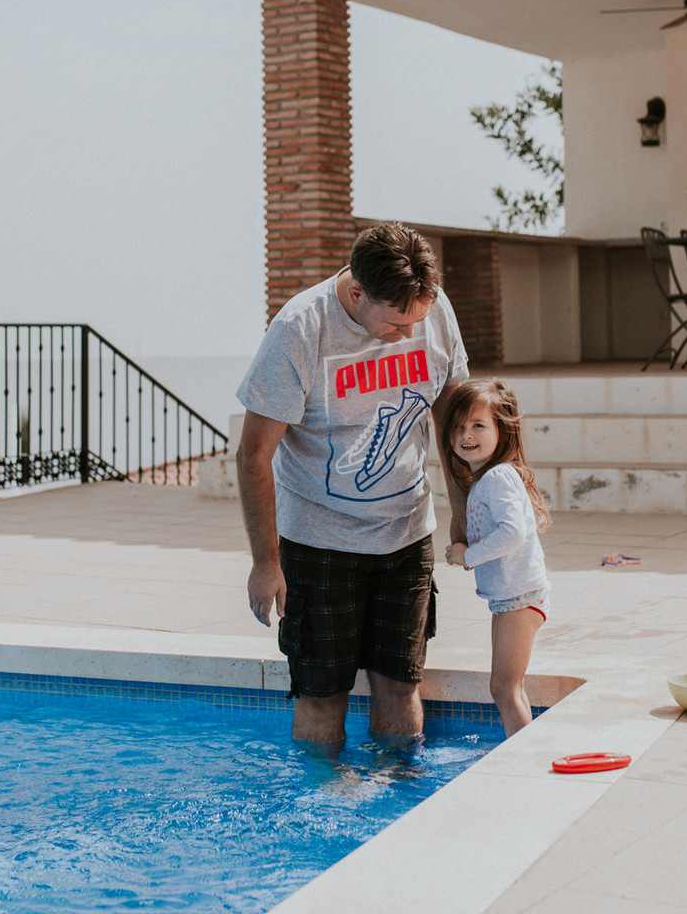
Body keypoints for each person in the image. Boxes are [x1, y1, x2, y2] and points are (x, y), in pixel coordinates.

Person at [236, 222, 469, 745]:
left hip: (407, 536)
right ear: (357, 293)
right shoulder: (301, 328)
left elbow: (452, 420)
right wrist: (265, 561)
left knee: (401, 687)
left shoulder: (432, 310)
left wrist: (464, 515)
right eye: (394, 323)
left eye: (418, 320)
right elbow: (253, 455)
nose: (409, 334)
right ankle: (321, 811)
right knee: (322, 693)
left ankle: (400, 805)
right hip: (320, 544)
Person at [440, 378, 551, 736]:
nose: (465, 434)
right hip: (510, 598)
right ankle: (517, 752)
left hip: (520, 597)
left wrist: (469, 555)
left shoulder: (499, 476)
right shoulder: (485, 478)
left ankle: (521, 760)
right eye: (458, 426)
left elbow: (513, 532)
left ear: (502, 431)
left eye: (477, 425)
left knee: (504, 688)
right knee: (505, 687)